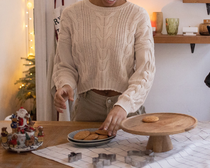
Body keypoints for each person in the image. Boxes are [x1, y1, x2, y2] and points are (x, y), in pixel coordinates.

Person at [53, 0, 155, 137]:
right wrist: (65, 84)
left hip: (127, 110)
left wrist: (124, 105)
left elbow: (145, 71)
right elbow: (64, 64)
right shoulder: (71, 14)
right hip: (87, 109)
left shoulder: (138, 15)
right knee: (83, 158)